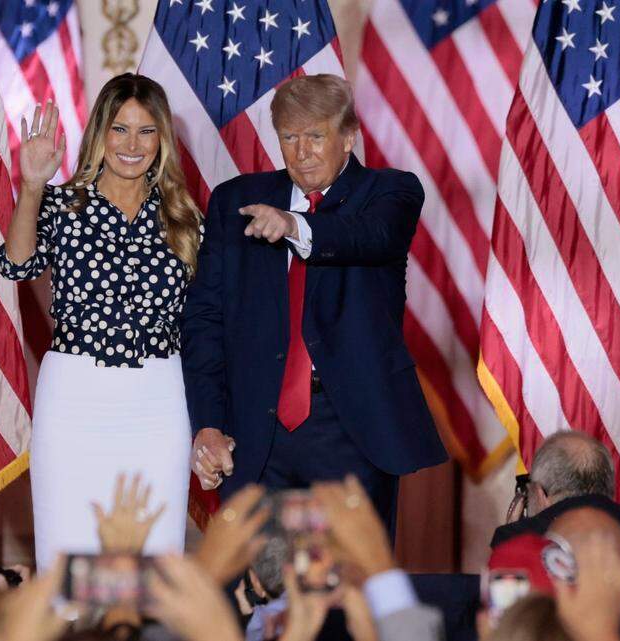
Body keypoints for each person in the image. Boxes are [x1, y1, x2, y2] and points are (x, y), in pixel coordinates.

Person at [180, 73, 447, 527]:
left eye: (315, 136)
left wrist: (294, 225)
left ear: (349, 137)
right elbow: (204, 319)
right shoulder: (236, 201)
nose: (301, 152)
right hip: (253, 430)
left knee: (352, 589)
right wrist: (208, 421)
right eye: (289, 137)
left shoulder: (390, 192)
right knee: (248, 585)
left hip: (350, 428)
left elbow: (370, 238)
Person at [0, 73, 202, 570]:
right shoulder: (63, 205)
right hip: (75, 395)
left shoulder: (184, 217)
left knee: (155, 557)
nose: (132, 144)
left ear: (162, 141)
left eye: (146, 131)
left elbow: (203, 319)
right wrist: (31, 186)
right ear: (100, 135)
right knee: (69, 556)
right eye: (120, 128)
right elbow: (16, 264)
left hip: (159, 397)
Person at [490, 431, 620, 623]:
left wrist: (514, 539)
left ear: (540, 493)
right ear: (608, 487)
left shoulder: (516, 540)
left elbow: (508, 628)